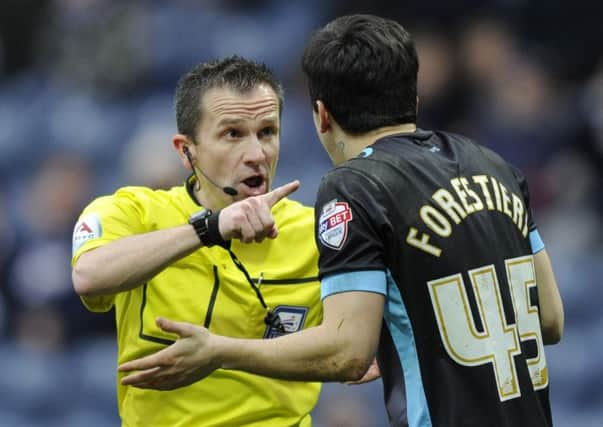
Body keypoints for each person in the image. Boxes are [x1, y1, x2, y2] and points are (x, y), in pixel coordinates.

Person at [119, 15, 565, 427]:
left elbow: (347, 355)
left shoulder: (356, 187)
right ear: (414, 97)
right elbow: (549, 319)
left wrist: (220, 351)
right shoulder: (495, 167)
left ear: (321, 115)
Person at [71, 56, 325, 426]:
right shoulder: (134, 211)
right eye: (233, 134)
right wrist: (210, 228)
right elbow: (89, 276)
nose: (257, 155)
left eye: (267, 131)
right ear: (186, 151)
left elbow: (353, 352)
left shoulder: (318, 232)